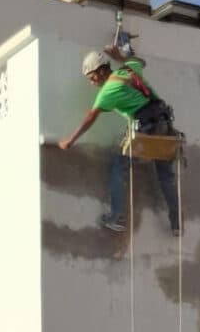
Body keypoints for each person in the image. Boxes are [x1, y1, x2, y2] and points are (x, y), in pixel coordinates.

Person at [59, 44, 181, 235]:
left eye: (92, 77)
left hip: (145, 128)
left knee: (119, 166)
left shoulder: (109, 90)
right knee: (166, 176)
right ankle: (177, 222)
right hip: (164, 126)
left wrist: (70, 140)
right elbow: (139, 62)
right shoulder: (128, 70)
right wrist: (120, 56)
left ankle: (116, 217)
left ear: (101, 71)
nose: (92, 83)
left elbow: (91, 116)